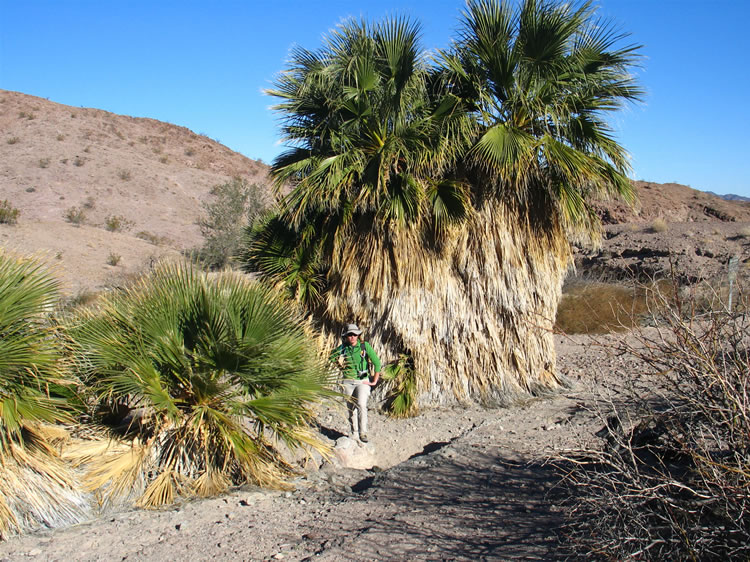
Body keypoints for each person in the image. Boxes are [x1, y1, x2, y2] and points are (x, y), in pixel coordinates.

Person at [331, 323, 381, 443]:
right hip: (347, 380)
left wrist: (374, 381)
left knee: (361, 404)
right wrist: (341, 367)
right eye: (350, 335)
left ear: (358, 335)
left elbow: (377, 363)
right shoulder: (343, 347)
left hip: (362, 380)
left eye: (354, 334)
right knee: (350, 408)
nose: (352, 337)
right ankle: (354, 432)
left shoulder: (364, 346)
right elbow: (332, 357)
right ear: (346, 336)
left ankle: (363, 432)